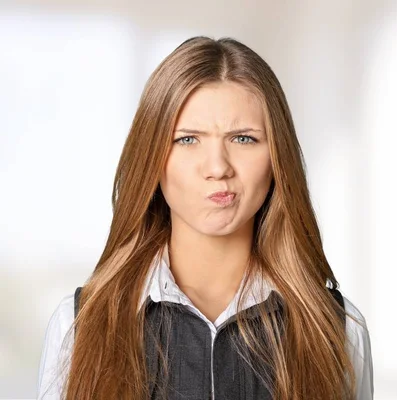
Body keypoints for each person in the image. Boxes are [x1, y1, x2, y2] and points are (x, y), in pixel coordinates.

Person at [37, 36, 373, 400]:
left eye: (243, 139)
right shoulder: (81, 325)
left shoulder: (336, 328)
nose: (217, 167)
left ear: (278, 158)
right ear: (151, 156)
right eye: (187, 139)